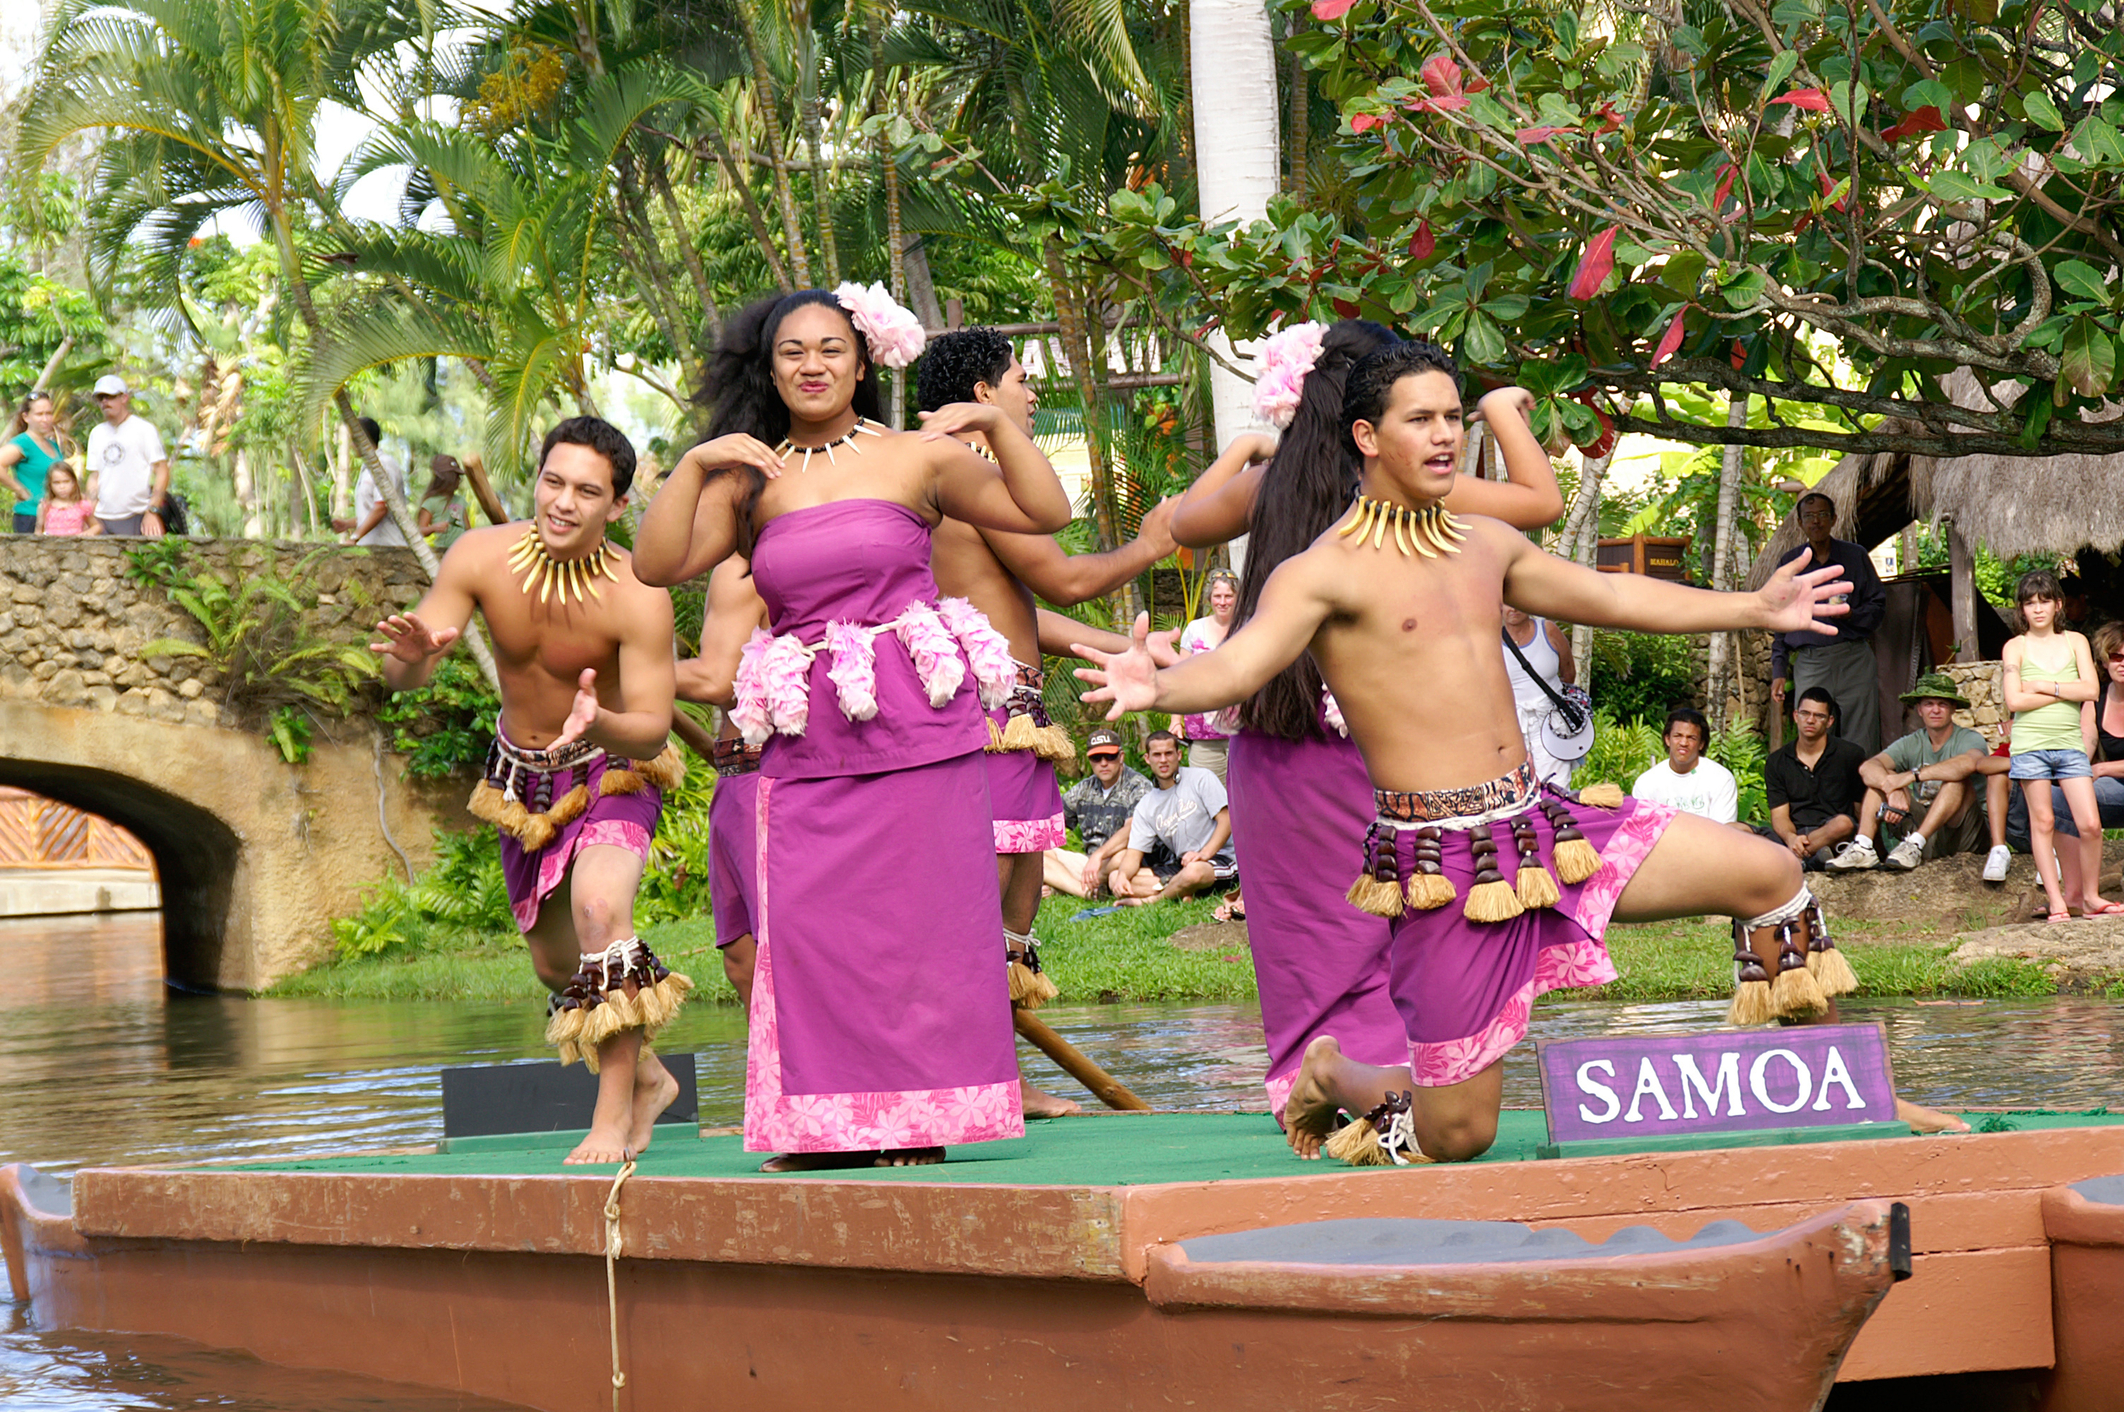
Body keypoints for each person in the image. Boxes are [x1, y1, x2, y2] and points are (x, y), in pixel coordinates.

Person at [1077, 338, 1966, 1164]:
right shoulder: (1323, 570)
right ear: (1366, 436)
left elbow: (1609, 597)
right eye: (1420, 420)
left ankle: (1853, 1096)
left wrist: (1753, 607)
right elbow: (1239, 664)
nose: (1443, 437)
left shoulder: (1483, 541)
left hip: (1547, 830)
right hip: (1445, 872)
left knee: (1769, 877)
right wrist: (1159, 687)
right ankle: (1337, 1076)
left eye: (1454, 418)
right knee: (1459, 1135)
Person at [632, 284, 1071, 1171]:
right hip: (806, 735)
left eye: (831, 349)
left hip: (920, 718)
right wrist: (692, 468)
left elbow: (1045, 514)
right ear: (770, 368)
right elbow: (655, 563)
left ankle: (921, 1121)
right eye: (793, 351)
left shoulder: (913, 458)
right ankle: (826, 1126)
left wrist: (1001, 428)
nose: (813, 366)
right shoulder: (752, 480)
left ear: (861, 361)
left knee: (926, 928)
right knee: (812, 929)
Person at [1170, 317, 1566, 1119]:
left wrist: (1247, 453)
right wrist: (1499, 412)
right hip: (1382, 745)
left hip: (1275, 752)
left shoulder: (1272, 484)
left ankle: (1335, 1076)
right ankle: (1414, 1081)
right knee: (1407, 911)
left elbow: (1181, 524)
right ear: (1367, 409)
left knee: (1318, 931)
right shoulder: (1408, 494)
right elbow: (1542, 503)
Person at [371, 415, 689, 1167]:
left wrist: (602, 721)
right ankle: (647, 1081)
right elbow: (406, 672)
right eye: (553, 481)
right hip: (520, 784)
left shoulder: (638, 594)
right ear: (535, 479)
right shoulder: (480, 556)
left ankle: (610, 1121)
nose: (563, 502)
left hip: (615, 769)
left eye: (587, 491)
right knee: (556, 967)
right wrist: (412, 659)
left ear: (617, 506)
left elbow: (650, 726)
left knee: (600, 912)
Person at [917, 326, 1177, 1113]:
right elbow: (1061, 580)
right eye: (1021, 379)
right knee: (985, 902)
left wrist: (1130, 652)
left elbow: (1025, 614)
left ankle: (1000, 1077)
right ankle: (974, 1080)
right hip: (982, 722)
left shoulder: (975, 477)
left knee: (1016, 903)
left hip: (1015, 721)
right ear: (983, 395)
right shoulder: (963, 476)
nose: (1033, 394)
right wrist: (1149, 544)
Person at [2004, 570, 2115, 921]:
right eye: (2030, 602)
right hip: (2030, 744)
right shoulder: (2015, 646)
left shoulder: (2075, 641)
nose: (2037, 609)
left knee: (2090, 824)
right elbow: (2014, 701)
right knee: (2044, 821)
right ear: (2021, 609)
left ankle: (2091, 896)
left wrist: (2041, 686)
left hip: (2069, 745)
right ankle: (2056, 900)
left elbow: (2091, 691)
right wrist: (2060, 691)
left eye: (2044, 601)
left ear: (2058, 605)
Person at [1825, 673, 1993, 873]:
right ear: (1919, 709)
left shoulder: (1969, 738)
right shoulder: (1912, 741)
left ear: (1953, 709)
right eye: (1929, 704)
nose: (1936, 710)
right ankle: (1863, 846)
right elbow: (1868, 767)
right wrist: (1893, 788)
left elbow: (1970, 763)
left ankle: (1915, 843)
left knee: (1957, 781)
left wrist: (1912, 776)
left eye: (1942, 704)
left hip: (1967, 832)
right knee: (1879, 780)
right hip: (1927, 829)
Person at [1770, 492, 1886, 754]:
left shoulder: (1855, 556)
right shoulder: (1791, 563)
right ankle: (1816, 794)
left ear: (1833, 519)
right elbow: (1779, 618)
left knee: (1862, 737)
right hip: (1811, 661)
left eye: (1823, 515)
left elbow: (1879, 606)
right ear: (1800, 523)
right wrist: (1779, 669)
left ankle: (1861, 794)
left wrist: (1851, 615)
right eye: (1809, 517)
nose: (1816, 522)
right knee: (1812, 734)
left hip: (1854, 657)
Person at [1102, 730, 1236, 906]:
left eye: (1168, 753)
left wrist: (1203, 854)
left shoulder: (1201, 778)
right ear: (1148, 759)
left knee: (1193, 873)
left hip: (1218, 859)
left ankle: (1154, 899)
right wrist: (1122, 877)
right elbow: (1134, 854)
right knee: (1114, 877)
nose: (1163, 760)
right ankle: (1183, 890)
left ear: (1178, 755)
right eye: (1157, 755)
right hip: (1182, 865)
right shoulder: (1146, 805)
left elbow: (1227, 821)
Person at [1044, 726, 1159, 898]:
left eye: (1110, 756)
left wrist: (1099, 855)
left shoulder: (1138, 785)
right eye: (1097, 758)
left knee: (1120, 857)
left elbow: (1132, 830)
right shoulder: (1084, 788)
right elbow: (1050, 821)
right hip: (1089, 863)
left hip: (1125, 861)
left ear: (1121, 757)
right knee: (1036, 853)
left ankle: (1063, 885)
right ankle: (1084, 891)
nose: (1103, 763)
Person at [1759, 687, 1866, 870]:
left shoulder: (1850, 754)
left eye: (1819, 716)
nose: (1810, 720)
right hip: (1793, 834)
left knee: (1843, 824)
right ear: (1795, 716)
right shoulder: (1777, 761)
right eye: (1805, 713)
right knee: (1737, 829)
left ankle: (1798, 858)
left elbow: (1860, 810)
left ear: (1830, 721)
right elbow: (1779, 816)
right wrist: (1791, 838)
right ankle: (1812, 857)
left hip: (1832, 833)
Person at [1502, 605, 1578, 787]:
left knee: (1556, 786)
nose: (1513, 609)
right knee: (1517, 789)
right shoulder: (1490, 638)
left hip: (1551, 722)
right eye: (1507, 602)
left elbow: (1568, 672)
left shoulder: (1548, 630)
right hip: (1513, 725)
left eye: (1518, 602)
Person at [85, 376, 169, 538]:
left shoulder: (144, 429)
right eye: (101, 398)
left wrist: (152, 510)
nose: (105, 402)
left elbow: (161, 470)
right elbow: (94, 476)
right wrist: (89, 513)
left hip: (135, 516)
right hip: (102, 518)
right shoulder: (97, 433)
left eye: (110, 397)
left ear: (124, 398)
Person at [1177, 569, 1240, 782]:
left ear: (1237, 598)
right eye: (1217, 596)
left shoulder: (1248, 627)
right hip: (1202, 734)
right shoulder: (1194, 629)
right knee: (1209, 797)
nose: (1222, 602)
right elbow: (1179, 677)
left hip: (1242, 733)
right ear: (1210, 599)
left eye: (1228, 596)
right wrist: (1176, 719)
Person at [1629, 707, 1738, 824]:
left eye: (1691, 738)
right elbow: (1642, 831)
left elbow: (1724, 832)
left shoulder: (1721, 779)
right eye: (1678, 736)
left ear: (1701, 744)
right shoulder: (1647, 783)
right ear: (1667, 739)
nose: (1683, 743)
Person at [332, 418, 409, 547]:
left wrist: (354, 537)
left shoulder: (384, 465)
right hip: (370, 546)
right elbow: (370, 513)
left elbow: (381, 509)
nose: (351, 445)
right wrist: (347, 524)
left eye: (353, 440)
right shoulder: (367, 469)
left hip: (388, 547)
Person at [2, 390, 65, 534]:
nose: (45, 419)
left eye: (48, 413)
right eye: (39, 414)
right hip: (30, 516)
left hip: (54, 518)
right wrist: (19, 489)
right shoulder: (23, 442)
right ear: (26, 417)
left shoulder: (52, 444)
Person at [417, 454, 471, 548]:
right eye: (456, 477)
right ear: (446, 479)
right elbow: (420, 531)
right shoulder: (431, 503)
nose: (459, 480)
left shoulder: (460, 500)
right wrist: (434, 528)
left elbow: (468, 530)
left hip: (462, 550)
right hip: (442, 551)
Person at [36, 463, 97, 537]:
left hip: (76, 546)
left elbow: (96, 526)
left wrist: (88, 533)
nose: (62, 487)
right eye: (56, 483)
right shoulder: (45, 506)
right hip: (52, 546)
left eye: (66, 481)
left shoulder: (82, 505)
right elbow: (38, 531)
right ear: (50, 485)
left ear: (74, 482)